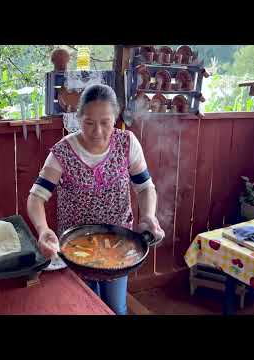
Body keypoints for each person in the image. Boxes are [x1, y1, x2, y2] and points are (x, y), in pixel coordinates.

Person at [27, 84, 164, 315]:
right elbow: (36, 198)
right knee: (85, 306)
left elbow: (145, 188)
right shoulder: (63, 151)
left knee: (116, 308)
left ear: (116, 118)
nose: (97, 131)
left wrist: (149, 215)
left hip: (120, 244)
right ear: (78, 118)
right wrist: (42, 230)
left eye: (106, 122)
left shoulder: (127, 143)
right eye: (89, 122)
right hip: (75, 246)